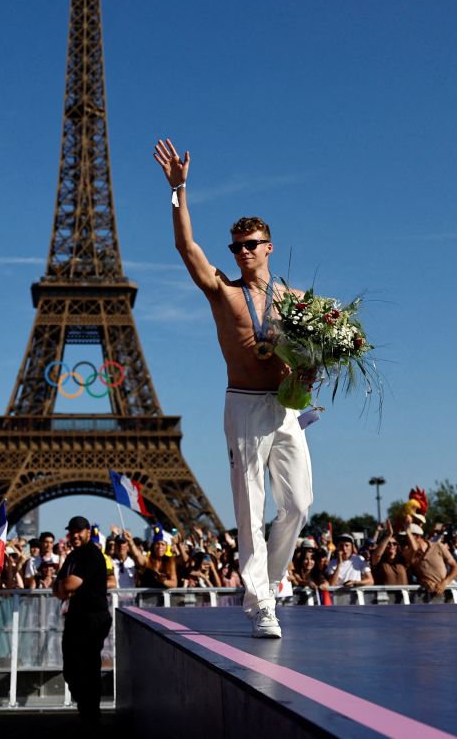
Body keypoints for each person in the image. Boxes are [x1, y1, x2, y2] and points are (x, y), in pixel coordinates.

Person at [153, 138, 313, 639]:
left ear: (269, 247)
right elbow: (185, 247)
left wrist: (309, 373)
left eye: (251, 245)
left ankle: (273, 576)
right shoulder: (223, 292)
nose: (243, 252)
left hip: (284, 408)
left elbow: (315, 356)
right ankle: (260, 601)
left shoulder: (297, 302)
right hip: (243, 404)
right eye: (236, 247)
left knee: (300, 505)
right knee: (250, 502)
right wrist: (179, 191)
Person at [53, 515, 111, 729]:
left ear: (88, 531)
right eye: (72, 531)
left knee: (86, 667)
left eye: (79, 531)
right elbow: (58, 586)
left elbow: (68, 584)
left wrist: (63, 587)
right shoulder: (74, 556)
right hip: (76, 617)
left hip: (92, 618)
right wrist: (63, 587)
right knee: (72, 669)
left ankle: (91, 715)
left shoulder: (91, 554)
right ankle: (87, 710)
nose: (75, 535)